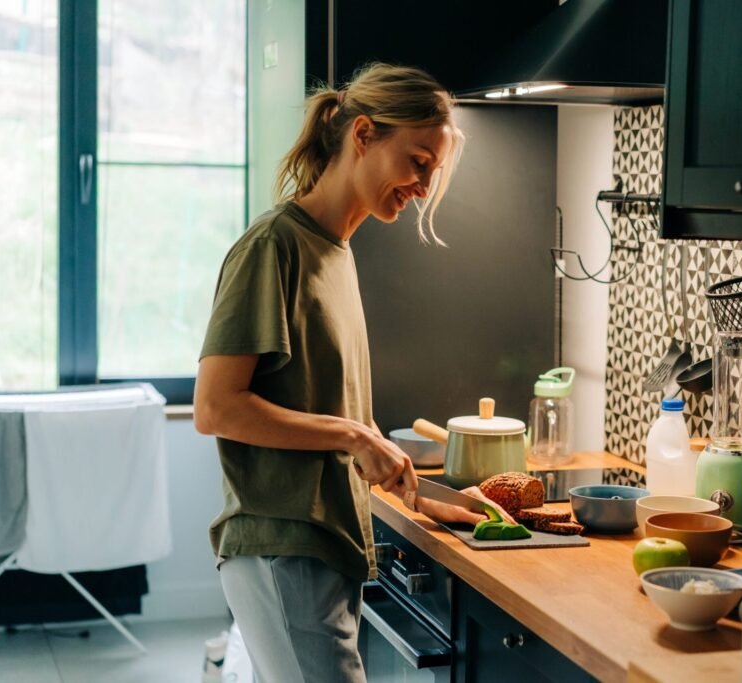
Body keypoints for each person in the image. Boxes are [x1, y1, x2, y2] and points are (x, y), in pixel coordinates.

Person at [193, 63, 511, 683]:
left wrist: (423, 499)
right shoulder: (274, 246)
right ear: (363, 134)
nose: (423, 184)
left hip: (322, 545)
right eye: (417, 161)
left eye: (433, 170)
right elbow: (217, 408)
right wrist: (356, 437)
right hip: (282, 545)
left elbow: (337, 412)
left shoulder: (336, 250)